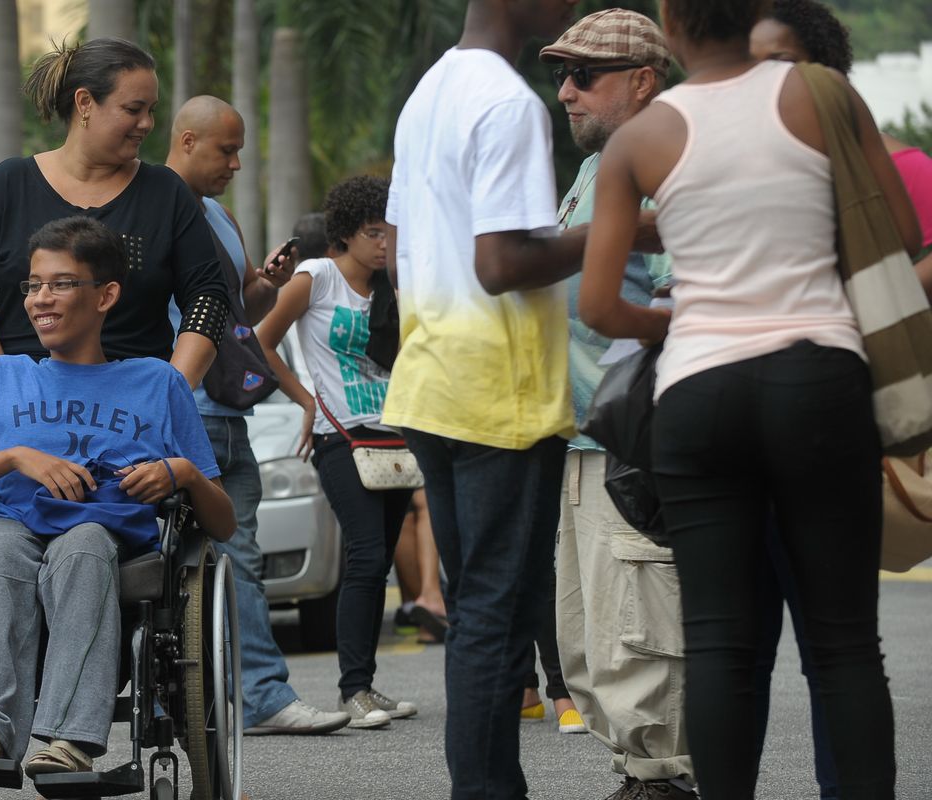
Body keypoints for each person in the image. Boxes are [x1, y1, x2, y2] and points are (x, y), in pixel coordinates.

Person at [578, 0, 920, 795]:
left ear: (671, 24)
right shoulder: (822, 94)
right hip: (819, 382)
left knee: (720, 643)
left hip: (699, 393)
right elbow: (901, 235)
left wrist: (674, 322)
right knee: (844, 644)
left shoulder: (640, 139)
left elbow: (599, 307)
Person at [382, 0, 662, 792]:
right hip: (497, 394)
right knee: (495, 616)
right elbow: (501, 262)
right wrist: (630, 232)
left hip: (433, 378)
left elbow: (398, 250)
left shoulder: (430, 91)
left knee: (481, 610)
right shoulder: (508, 103)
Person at [0, 216, 234, 779]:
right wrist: (14, 457)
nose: (39, 299)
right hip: (8, 521)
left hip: (102, 536)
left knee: (84, 546)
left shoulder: (158, 382)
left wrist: (184, 474)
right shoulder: (1, 378)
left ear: (106, 295)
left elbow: (222, 523)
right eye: (33, 285)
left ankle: (69, 742)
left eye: (60, 284)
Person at [536, 11, 696, 799]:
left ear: (642, 80)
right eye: (560, 75)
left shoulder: (663, 158)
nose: (566, 92)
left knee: (640, 625)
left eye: (584, 76)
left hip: (631, 441)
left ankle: (663, 776)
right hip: (581, 438)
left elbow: (684, 297)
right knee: (590, 636)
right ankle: (639, 772)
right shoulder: (596, 167)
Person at [161, 95, 349, 736]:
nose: (236, 164)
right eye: (227, 150)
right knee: (205, 559)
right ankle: (251, 697)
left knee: (235, 558)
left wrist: (269, 280)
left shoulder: (217, 214)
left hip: (228, 411)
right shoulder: (149, 205)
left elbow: (243, 303)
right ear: (187, 141)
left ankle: (247, 696)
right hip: (183, 412)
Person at [0, 37, 230, 388]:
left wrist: (172, 390)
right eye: (133, 109)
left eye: (151, 110)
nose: (147, 123)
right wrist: (0, 385)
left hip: (135, 403)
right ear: (85, 103)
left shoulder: (166, 191)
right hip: (23, 400)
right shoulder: (9, 183)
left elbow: (208, 297)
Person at [257, 175, 417, 731]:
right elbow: (261, 340)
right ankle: (353, 690)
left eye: (389, 232)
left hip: (393, 436)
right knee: (366, 555)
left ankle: (367, 685)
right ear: (345, 233)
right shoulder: (318, 276)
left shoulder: (392, 286)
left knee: (380, 564)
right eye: (373, 233)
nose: (383, 243)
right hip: (338, 436)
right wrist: (305, 400)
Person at [749, 1, 932, 298]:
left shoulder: (901, 164)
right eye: (750, 68)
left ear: (826, 65)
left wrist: (876, 301)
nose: (764, 80)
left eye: (780, 64)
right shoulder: (748, 160)